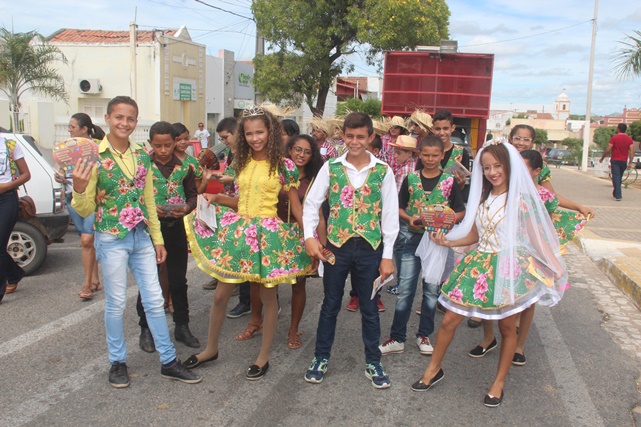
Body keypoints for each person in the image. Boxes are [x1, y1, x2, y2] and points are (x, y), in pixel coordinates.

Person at [411, 141, 567, 408]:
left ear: (508, 166)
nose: (493, 172)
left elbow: (537, 238)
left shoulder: (522, 200)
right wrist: (447, 242)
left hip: (508, 267)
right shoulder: (483, 197)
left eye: (497, 166)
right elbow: (475, 234)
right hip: (478, 264)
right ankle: (433, 369)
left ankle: (498, 383)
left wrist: (554, 266)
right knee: (449, 320)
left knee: (507, 328)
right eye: (487, 167)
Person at [71, 96, 201, 388]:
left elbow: (150, 201)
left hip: (141, 237)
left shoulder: (143, 156)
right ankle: (117, 362)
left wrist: (157, 239)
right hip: (111, 237)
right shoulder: (93, 156)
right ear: (107, 118)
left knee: (155, 301)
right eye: (119, 117)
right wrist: (79, 189)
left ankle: (168, 361)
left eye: (130, 118)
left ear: (136, 121)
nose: (124, 123)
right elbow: (84, 209)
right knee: (116, 303)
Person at [183, 106, 314, 381]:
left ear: (270, 132)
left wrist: (310, 238)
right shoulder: (240, 162)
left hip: (268, 233)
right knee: (220, 295)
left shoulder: (284, 165)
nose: (255, 138)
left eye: (260, 132)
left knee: (268, 298)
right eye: (249, 133)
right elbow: (240, 202)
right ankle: (210, 349)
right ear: (243, 135)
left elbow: (296, 207)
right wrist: (215, 198)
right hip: (240, 232)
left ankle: (263, 356)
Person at [468, 149, 592, 366]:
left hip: (528, 253)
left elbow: (555, 202)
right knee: (487, 293)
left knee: (526, 301)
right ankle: (489, 338)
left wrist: (579, 207)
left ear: (536, 172)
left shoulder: (539, 194)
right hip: (499, 249)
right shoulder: (496, 192)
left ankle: (519, 345)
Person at [303, 112, 399, 389]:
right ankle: (321, 357)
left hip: (370, 248)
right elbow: (311, 204)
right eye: (350, 136)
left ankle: (373, 361)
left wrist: (388, 256)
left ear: (370, 137)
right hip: (337, 246)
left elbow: (390, 216)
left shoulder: (383, 170)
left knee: (369, 307)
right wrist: (310, 237)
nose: (355, 142)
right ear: (342, 136)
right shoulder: (331, 166)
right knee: (330, 304)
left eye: (361, 137)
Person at [379, 135, 465, 356]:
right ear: (419, 154)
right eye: (425, 154)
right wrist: (409, 219)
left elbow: (460, 210)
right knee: (405, 290)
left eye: (435, 155)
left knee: (431, 291)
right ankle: (397, 337)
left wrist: (446, 219)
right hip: (410, 239)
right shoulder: (410, 178)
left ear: (442, 155)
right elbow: (397, 207)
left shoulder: (449, 181)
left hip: (437, 242)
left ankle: (424, 335)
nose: (430, 159)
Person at [135, 121, 200, 352]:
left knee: (178, 280)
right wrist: (150, 210)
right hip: (150, 231)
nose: (163, 151)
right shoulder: (141, 166)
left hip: (176, 228)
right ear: (151, 144)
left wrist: (188, 208)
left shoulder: (185, 167)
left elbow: (193, 195)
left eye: (168, 145)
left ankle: (182, 326)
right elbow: (134, 197)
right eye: (158, 146)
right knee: (149, 280)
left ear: (175, 143)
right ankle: (146, 329)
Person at [56, 113, 105, 300]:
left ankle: (86, 284)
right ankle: (94, 279)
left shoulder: (99, 147)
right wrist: (60, 177)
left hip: (93, 199)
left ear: (84, 129)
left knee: (86, 239)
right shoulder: (66, 149)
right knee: (86, 241)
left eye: (72, 126)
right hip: (72, 197)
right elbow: (62, 169)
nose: (69, 130)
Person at [0, 136, 31, 302]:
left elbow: (26, 175)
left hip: (6, 198)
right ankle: (14, 274)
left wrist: (6, 186)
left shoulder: (9, 145)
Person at [600, 123, 634, 201]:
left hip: (615, 160)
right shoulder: (629, 139)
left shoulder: (614, 138)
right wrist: (630, 162)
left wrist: (602, 158)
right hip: (623, 161)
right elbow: (632, 151)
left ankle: (618, 195)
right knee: (618, 177)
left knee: (616, 177)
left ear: (618, 129)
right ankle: (616, 192)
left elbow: (608, 149)